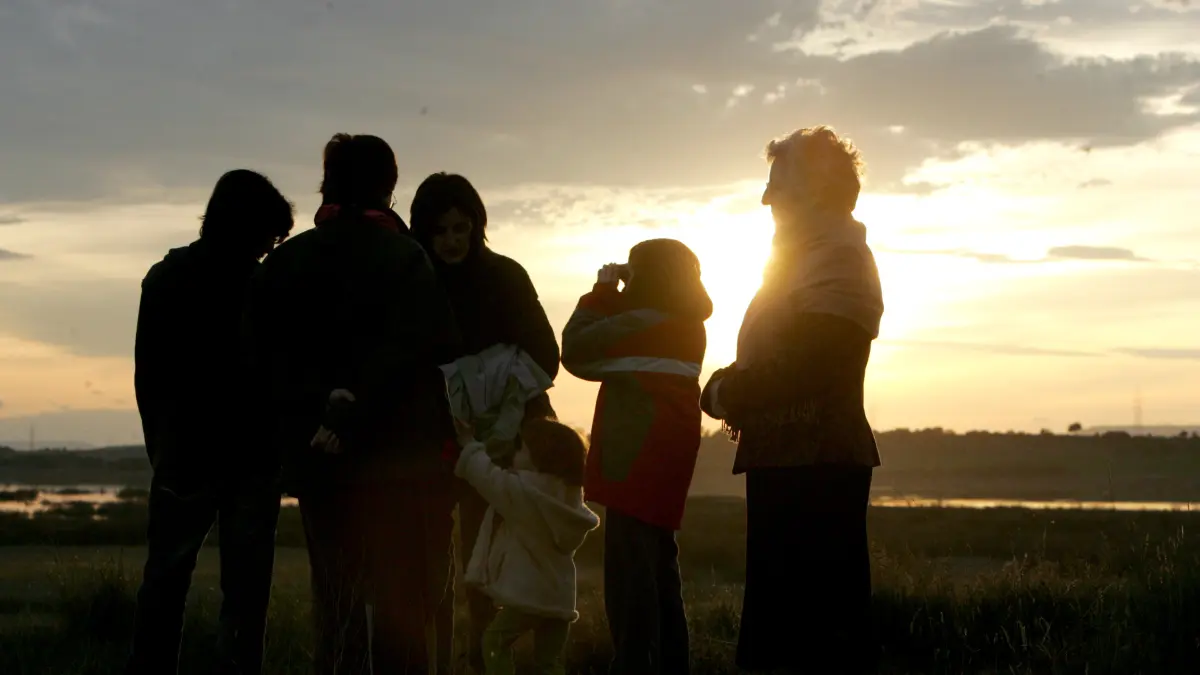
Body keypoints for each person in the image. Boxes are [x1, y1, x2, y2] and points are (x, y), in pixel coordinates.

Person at [241, 134, 461, 674]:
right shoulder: (407, 258)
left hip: (322, 462)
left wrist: (324, 405)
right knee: (401, 610)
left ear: (328, 185)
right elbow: (432, 351)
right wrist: (362, 406)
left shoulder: (286, 261)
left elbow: (261, 361)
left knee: (337, 605)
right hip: (400, 466)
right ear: (388, 188)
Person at [700, 125, 884, 674]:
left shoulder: (839, 260)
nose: (765, 198)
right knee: (785, 632)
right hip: (789, 460)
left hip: (816, 465)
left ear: (817, 190)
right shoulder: (806, 260)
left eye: (778, 184)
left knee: (812, 636)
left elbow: (810, 366)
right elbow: (784, 357)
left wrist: (725, 391)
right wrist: (730, 386)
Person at [127, 169, 295, 675]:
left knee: (164, 585)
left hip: (184, 456)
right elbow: (280, 378)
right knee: (245, 596)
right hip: (249, 461)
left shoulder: (166, 277)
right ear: (252, 228)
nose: (269, 248)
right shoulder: (264, 285)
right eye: (269, 238)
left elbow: (148, 378)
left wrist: (162, 449)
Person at [409, 172, 561, 672]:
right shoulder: (418, 285)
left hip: (503, 443)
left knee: (492, 564)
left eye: (461, 227)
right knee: (432, 564)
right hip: (436, 439)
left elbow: (546, 353)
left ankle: (485, 660)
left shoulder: (506, 276)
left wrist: (502, 408)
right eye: (440, 231)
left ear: (477, 225)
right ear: (423, 232)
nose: (452, 240)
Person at [561, 239, 713, 675]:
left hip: (633, 460)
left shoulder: (644, 323)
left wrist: (602, 291)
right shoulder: (689, 324)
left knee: (630, 580)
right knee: (661, 573)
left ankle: (633, 665)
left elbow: (577, 350)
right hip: (669, 459)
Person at [452, 417, 600, 675]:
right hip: (561, 599)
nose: (515, 453)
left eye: (521, 449)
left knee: (494, 642)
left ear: (539, 458)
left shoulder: (525, 493)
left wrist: (469, 443)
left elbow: (488, 478)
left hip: (528, 595)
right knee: (549, 662)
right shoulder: (570, 499)